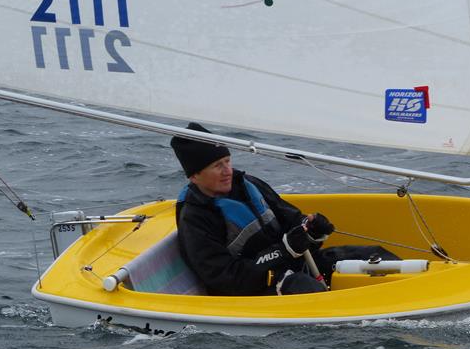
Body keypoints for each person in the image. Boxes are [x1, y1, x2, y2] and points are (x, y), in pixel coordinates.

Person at [171, 122, 398, 296]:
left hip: (296, 264)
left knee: (372, 256)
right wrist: (285, 250)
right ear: (194, 175)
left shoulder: (249, 184)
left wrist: (314, 231)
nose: (227, 170)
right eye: (217, 166)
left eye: (228, 161)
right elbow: (225, 278)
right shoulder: (195, 218)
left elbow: (293, 221)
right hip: (255, 289)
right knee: (306, 288)